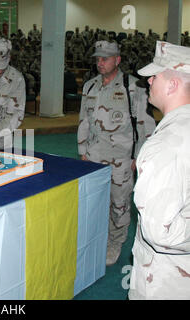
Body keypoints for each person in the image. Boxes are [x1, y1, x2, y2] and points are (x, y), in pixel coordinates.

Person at [77, 40, 156, 266]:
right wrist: (82, 150)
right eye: (98, 59)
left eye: (106, 59)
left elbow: (145, 126)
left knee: (119, 204)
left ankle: (115, 242)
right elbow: (84, 120)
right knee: (94, 202)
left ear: (117, 60)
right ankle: (97, 239)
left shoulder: (133, 88)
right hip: (92, 157)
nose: (100, 63)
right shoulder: (90, 86)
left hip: (121, 159)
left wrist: (137, 157)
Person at [128, 41, 190, 300]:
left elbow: (159, 232)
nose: (149, 81)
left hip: (165, 281)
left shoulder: (167, 144)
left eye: (155, 76)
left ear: (173, 84)